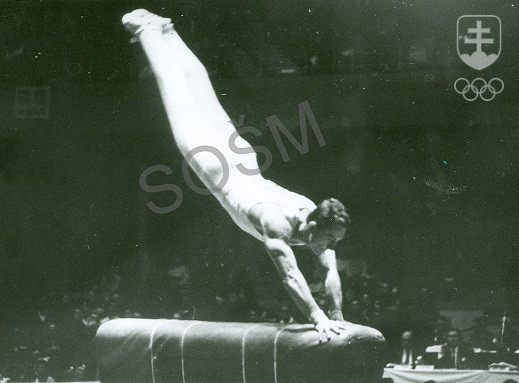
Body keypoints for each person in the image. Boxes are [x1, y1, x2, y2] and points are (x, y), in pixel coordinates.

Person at [121, 9, 351, 342]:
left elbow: (331, 274)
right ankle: (147, 29)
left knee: (202, 91)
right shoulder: (277, 222)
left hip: (242, 159)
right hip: (216, 164)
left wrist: (339, 316)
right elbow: (291, 278)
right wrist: (318, 317)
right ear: (315, 227)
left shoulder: (314, 218)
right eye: (330, 240)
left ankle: (168, 31)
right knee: (178, 91)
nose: (330, 248)